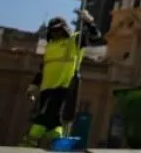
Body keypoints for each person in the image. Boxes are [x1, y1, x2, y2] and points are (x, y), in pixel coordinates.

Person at [21, 11, 101, 147]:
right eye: (52, 31)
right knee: (54, 119)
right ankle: (58, 142)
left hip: (64, 86)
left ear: (64, 29)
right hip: (46, 88)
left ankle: (30, 140)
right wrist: (34, 86)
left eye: (58, 30)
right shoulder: (50, 47)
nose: (55, 33)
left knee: (45, 114)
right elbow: (43, 68)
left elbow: (95, 37)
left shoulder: (74, 41)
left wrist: (89, 22)